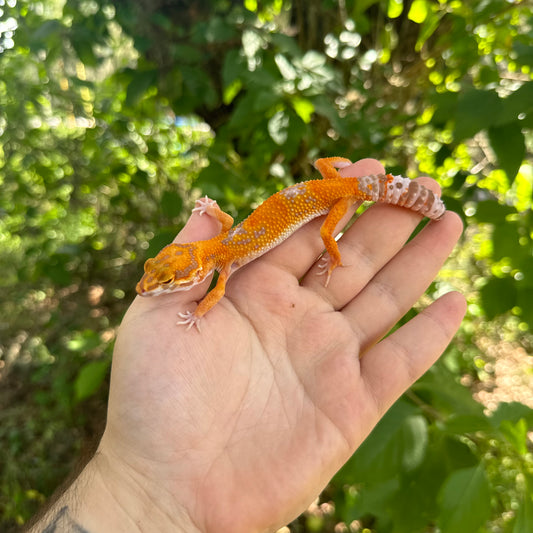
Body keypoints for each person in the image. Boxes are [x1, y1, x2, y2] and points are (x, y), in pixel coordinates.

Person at [27, 158, 466, 533]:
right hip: (329, 180)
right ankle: (385, 192)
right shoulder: (215, 246)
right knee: (326, 169)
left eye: (165, 279)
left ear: (191, 271)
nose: (151, 285)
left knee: (329, 236)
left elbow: (215, 295)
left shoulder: (219, 261)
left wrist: (197, 313)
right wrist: (211, 209)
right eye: (158, 275)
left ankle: (340, 250)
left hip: (336, 196)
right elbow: (221, 223)